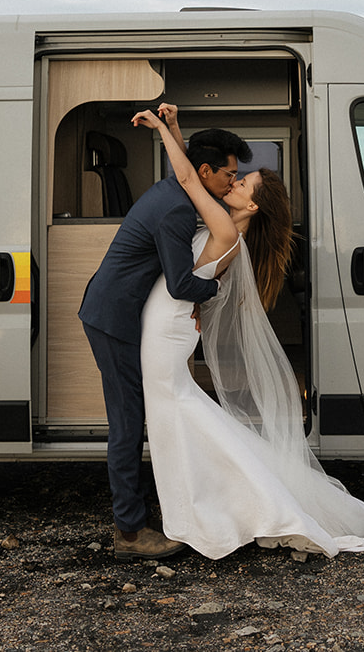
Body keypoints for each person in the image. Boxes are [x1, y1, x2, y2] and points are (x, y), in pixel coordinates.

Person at [134, 104, 364, 559]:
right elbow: (200, 173)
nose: (233, 182)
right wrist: (174, 127)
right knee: (184, 416)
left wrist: (160, 131)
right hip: (168, 327)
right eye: (234, 177)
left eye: (242, 182)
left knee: (180, 416)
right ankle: (218, 505)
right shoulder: (228, 227)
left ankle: (221, 510)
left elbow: (191, 179)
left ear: (251, 204)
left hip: (166, 333)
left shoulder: (225, 229)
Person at [78, 120, 253, 560]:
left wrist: (169, 126)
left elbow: (184, 163)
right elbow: (179, 284)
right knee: (126, 423)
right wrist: (216, 292)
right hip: (113, 319)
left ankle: (140, 514)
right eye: (230, 174)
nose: (233, 181)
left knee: (132, 418)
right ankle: (130, 534)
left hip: (115, 312)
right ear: (207, 170)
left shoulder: (177, 190)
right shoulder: (177, 209)